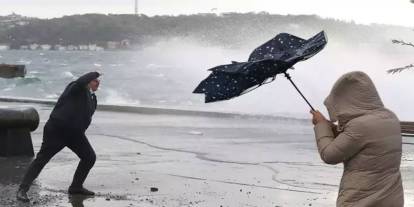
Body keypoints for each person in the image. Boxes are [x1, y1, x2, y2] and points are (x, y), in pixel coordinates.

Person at [310, 71, 404, 207]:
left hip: (363, 200)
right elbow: (362, 143)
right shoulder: (389, 117)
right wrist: (333, 129)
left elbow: (329, 155)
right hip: (391, 198)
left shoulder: (360, 126)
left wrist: (321, 125)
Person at [17, 72, 101, 202]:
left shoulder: (92, 97)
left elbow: (87, 116)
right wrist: (95, 72)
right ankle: (22, 190)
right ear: (88, 81)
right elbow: (80, 82)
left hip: (75, 134)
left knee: (89, 157)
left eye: (98, 81)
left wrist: (81, 129)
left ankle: (76, 187)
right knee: (42, 159)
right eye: (94, 80)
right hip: (57, 130)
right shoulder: (75, 87)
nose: (97, 82)